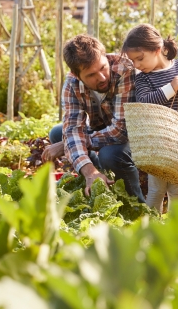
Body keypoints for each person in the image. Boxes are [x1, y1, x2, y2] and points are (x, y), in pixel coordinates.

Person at [42, 34, 145, 202]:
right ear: (77, 75)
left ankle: (137, 204)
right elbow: (73, 128)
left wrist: (71, 144)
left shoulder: (124, 69)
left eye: (103, 68)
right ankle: (99, 183)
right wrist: (89, 170)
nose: (102, 77)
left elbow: (120, 131)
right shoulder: (71, 85)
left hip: (132, 134)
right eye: (91, 75)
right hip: (104, 129)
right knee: (58, 133)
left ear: (106, 58)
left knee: (110, 154)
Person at [122, 23, 178, 214]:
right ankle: (152, 230)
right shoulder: (143, 78)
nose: (137, 65)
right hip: (156, 141)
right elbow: (144, 101)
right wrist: (171, 88)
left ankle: (177, 229)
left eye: (140, 58)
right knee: (156, 189)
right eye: (133, 61)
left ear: (157, 49)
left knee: (177, 189)